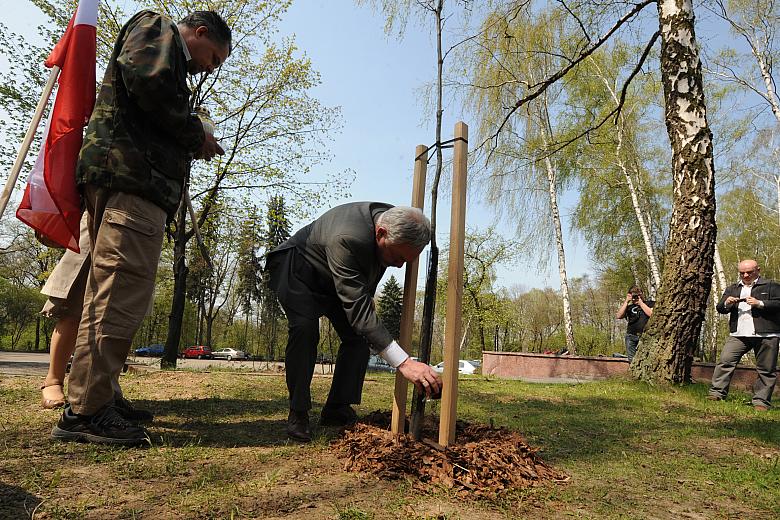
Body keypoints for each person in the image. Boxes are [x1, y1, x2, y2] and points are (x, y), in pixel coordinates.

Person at [51, 10, 231, 445]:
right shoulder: (158, 28)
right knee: (119, 293)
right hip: (131, 182)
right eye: (213, 58)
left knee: (107, 292)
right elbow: (147, 83)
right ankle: (88, 411)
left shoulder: (164, 50)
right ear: (200, 33)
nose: (209, 68)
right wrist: (195, 134)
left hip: (125, 180)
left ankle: (100, 394)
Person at [267, 202, 443, 442]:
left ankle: (336, 408)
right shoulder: (348, 237)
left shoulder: (398, 222)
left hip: (334, 279)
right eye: (398, 257)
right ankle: (298, 412)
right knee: (305, 330)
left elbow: (362, 291)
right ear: (381, 233)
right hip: (299, 270)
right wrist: (404, 363)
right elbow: (359, 312)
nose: (401, 265)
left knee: (359, 338)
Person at [40, 214, 152, 423]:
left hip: (138, 221)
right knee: (74, 304)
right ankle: (53, 380)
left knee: (118, 313)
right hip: (99, 213)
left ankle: (107, 389)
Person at [707, 259, 780, 411]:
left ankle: (761, 401)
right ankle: (717, 393)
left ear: (758, 270)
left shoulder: (771, 286)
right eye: (742, 273)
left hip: (766, 334)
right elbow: (720, 308)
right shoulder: (732, 288)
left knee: (766, 369)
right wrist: (727, 302)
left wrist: (760, 303)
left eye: (749, 272)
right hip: (739, 333)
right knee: (725, 361)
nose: (745, 275)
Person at [615, 285, 654, 362]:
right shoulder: (629, 307)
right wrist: (626, 301)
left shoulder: (650, 303)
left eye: (638, 295)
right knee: (632, 360)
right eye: (634, 295)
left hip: (645, 336)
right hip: (631, 336)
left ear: (642, 294)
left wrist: (641, 303)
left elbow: (651, 314)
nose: (636, 297)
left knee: (646, 360)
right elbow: (619, 316)